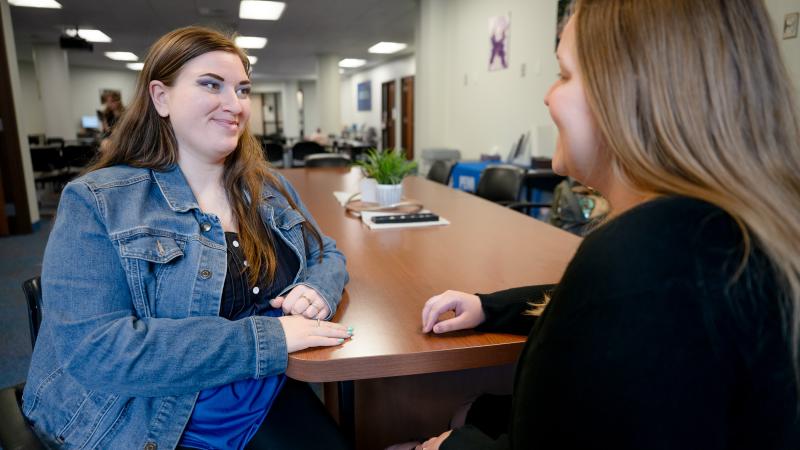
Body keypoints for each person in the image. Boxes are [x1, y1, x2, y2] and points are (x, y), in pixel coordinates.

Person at [417, 1, 800, 449]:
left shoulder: (638, 257)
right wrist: (489, 306)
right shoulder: (713, 237)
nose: (547, 95)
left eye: (563, 75)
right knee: (469, 408)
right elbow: (589, 311)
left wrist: (445, 447)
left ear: (627, 93)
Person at [23, 26, 353, 450]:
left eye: (243, 89)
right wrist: (270, 338)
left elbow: (326, 251)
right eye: (210, 85)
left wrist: (316, 289)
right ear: (161, 97)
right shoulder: (98, 202)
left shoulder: (266, 186)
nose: (234, 105)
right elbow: (100, 351)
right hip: (150, 416)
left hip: (256, 388)